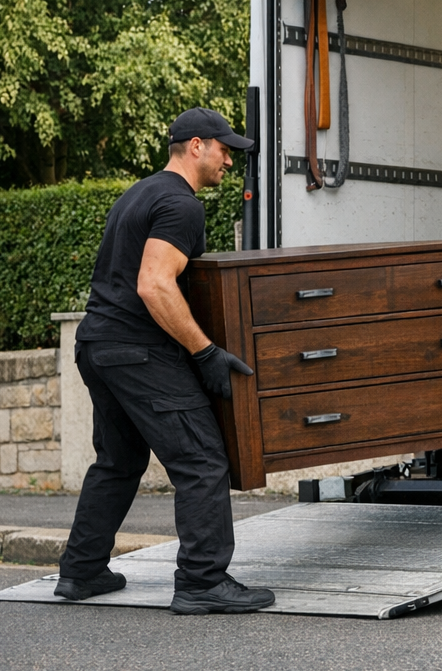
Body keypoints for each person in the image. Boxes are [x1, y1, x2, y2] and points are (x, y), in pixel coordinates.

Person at [56, 107, 274, 615]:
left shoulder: (140, 191)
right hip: (138, 350)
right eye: (224, 150)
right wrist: (205, 352)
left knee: (118, 461)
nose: (228, 161)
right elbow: (154, 283)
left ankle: (82, 570)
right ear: (196, 146)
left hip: (99, 345)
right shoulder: (181, 204)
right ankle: (202, 581)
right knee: (201, 460)